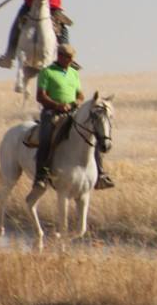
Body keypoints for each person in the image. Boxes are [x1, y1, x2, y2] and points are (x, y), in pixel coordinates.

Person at [29, 44, 114, 194]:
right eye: (68, 58)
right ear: (60, 56)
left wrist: (75, 103)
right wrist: (58, 105)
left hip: (72, 112)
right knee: (46, 139)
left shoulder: (73, 73)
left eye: (72, 58)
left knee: (91, 136)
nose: (71, 61)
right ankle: (41, 176)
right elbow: (40, 96)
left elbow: (80, 95)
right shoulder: (47, 72)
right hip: (51, 113)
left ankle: (100, 174)